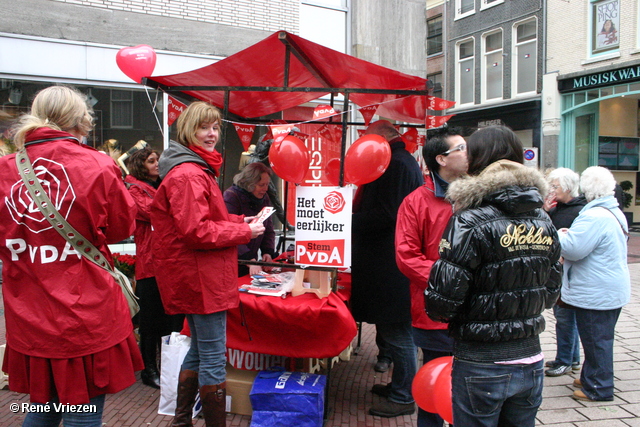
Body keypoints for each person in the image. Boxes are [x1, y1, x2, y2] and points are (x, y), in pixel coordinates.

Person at [0, 85, 142, 426]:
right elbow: (123, 225)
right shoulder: (97, 164)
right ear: (80, 120)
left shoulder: (4, 169)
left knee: (43, 409)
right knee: (83, 412)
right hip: (86, 310)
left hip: (29, 310)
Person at [426, 125, 562, 427]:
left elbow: (441, 304)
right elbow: (552, 291)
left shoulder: (469, 220)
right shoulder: (543, 219)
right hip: (530, 358)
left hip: (481, 361)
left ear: (477, 161)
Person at [150, 101, 264, 427]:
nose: (212, 134)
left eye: (215, 127)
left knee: (200, 350)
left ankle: (181, 420)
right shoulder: (189, 173)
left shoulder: (191, 168)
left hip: (197, 275)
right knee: (213, 356)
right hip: (202, 277)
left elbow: (202, 220)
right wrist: (243, 229)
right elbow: (196, 230)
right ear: (189, 129)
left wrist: (243, 220)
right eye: (205, 127)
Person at [395, 127, 467, 427]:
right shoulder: (415, 201)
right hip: (435, 312)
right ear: (441, 159)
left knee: (472, 391)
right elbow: (407, 257)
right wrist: (452, 282)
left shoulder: (478, 196)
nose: (468, 152)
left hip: (476, 313)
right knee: (435, 388)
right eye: (461, 148)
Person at [351, 119, 424, 417]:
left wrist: (345, 221)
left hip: (389, 265)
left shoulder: (394, 164)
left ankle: (405, 395)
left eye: (367, 138)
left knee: (397, 332)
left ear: (381, 138)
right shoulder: (400, 161)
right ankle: (399, 386)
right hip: (388, 262)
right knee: (393, 328)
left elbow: (386, 214)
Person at [557, 166, 630, 402]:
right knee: (598, 337)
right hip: (609, 288)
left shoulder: (594, 215)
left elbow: (573, 249)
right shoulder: (613, 212)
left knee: (596, 340)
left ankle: (598, 387)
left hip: (595, 290)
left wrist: (560, 234)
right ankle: (592, 376)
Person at [125, 148, 184, 389]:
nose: (157, 164)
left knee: (171, 319)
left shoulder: (161, 186)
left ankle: (168, 367)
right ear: (140, 165)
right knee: (150, 322)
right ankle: (149, 370)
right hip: (150, 264)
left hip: (169, 262)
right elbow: (155, 212)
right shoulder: (135, 190)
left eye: (157, 160)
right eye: (151, 161)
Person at [543, 168, 587, 377]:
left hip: (569, 273)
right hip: (559, 271)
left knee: (565, 318)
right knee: (566, 317)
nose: (552, 190)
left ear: (568, 187)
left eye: (555, 186)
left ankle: (565, 360)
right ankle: (572, 357)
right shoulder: (558, 208)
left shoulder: (580, 211)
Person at [223, 162, 277, 277]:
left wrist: (267, 251)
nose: (265, 189)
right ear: (250, 183)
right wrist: (249, 259)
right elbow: (230, 232)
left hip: (251, 260)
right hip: (233, 262)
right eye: (261, 185)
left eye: (267, 184)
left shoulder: (264, 198)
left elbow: (268, 228)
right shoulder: (231, 196)